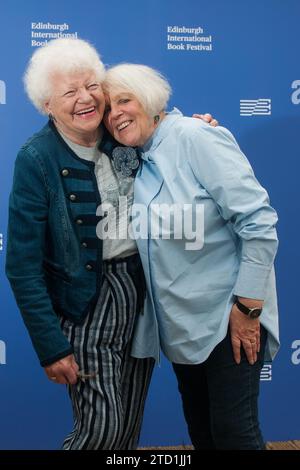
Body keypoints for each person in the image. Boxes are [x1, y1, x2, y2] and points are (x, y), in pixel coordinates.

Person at [5, 38, 216, 450]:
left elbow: (164, 132)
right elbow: (22, 264)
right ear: (47, 105)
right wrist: (50, 346)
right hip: (85, 303)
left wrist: (198, 129)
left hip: (141, 293)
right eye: (69, 92)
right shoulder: (36, 158)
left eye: (91, 86)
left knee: (125, 431)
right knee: (101, 430)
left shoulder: (118, 131)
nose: (85, 98)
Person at [102, 64, 280, 450]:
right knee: (203, 435)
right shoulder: (135, 156)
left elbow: (259, 223)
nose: (115, 113)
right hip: (182, 328)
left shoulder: (195, 136)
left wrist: (248, 309)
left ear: (149, 99)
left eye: (124, 100)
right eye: (107, 108)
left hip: (228, 318)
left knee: (236, 436)